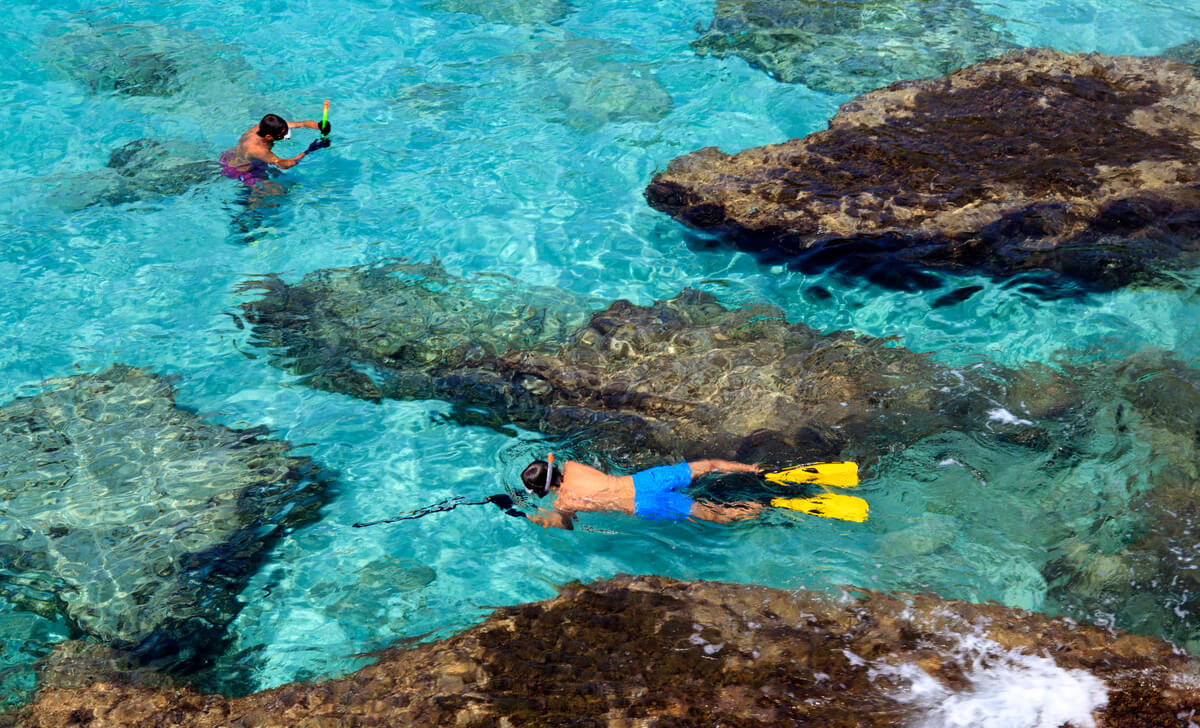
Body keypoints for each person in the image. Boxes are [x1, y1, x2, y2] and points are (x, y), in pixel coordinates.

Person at [516, 457, 765, 529]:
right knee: (708, 466)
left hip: (643, 503)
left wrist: (536, 517)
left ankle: (765, 508)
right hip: (644, 480)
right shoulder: (571, 465)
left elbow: (567, 524)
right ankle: (754, 469)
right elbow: (553, 462)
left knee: (716, 514)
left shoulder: (563, 502)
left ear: (546, 489)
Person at [219, 113, 330, 188]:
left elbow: (301, 124)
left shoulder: (265, 126)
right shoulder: (257, 149)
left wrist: (319, 126)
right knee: (276, 191)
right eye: (280, 136)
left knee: (287, 181)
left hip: (235, 156)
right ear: (268, 137)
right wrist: (310, 150)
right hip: (241, 169)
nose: (284, 137)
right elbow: (284, 164)